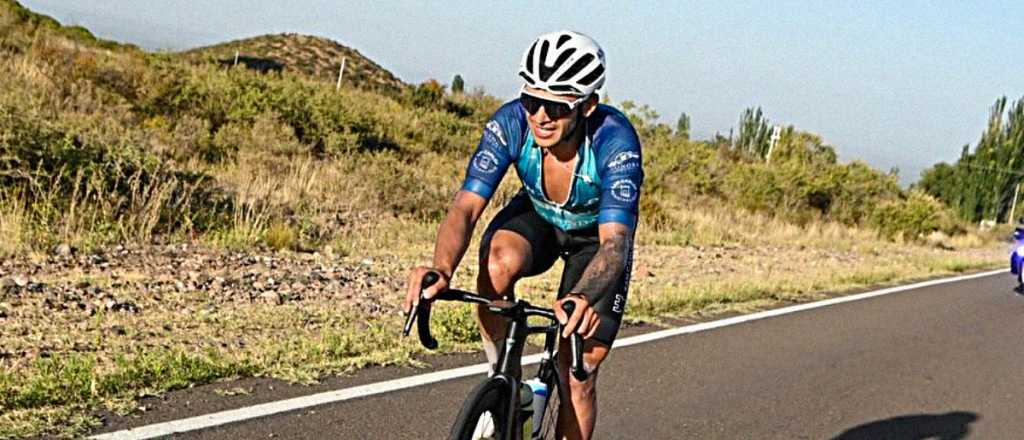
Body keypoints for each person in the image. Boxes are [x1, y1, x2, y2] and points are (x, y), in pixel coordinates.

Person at [403, 30, 643, 440]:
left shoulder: (615, 141)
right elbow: (466, 208)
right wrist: (441, 269)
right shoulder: (511, 122)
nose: (540, 116)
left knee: (577, 374)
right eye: (532, 100)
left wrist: (583, 296)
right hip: (539, 214)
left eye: (557, 105)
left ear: (587, 105)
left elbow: (615, 244)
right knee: (497, 262)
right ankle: (505, 387)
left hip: (595, 241)